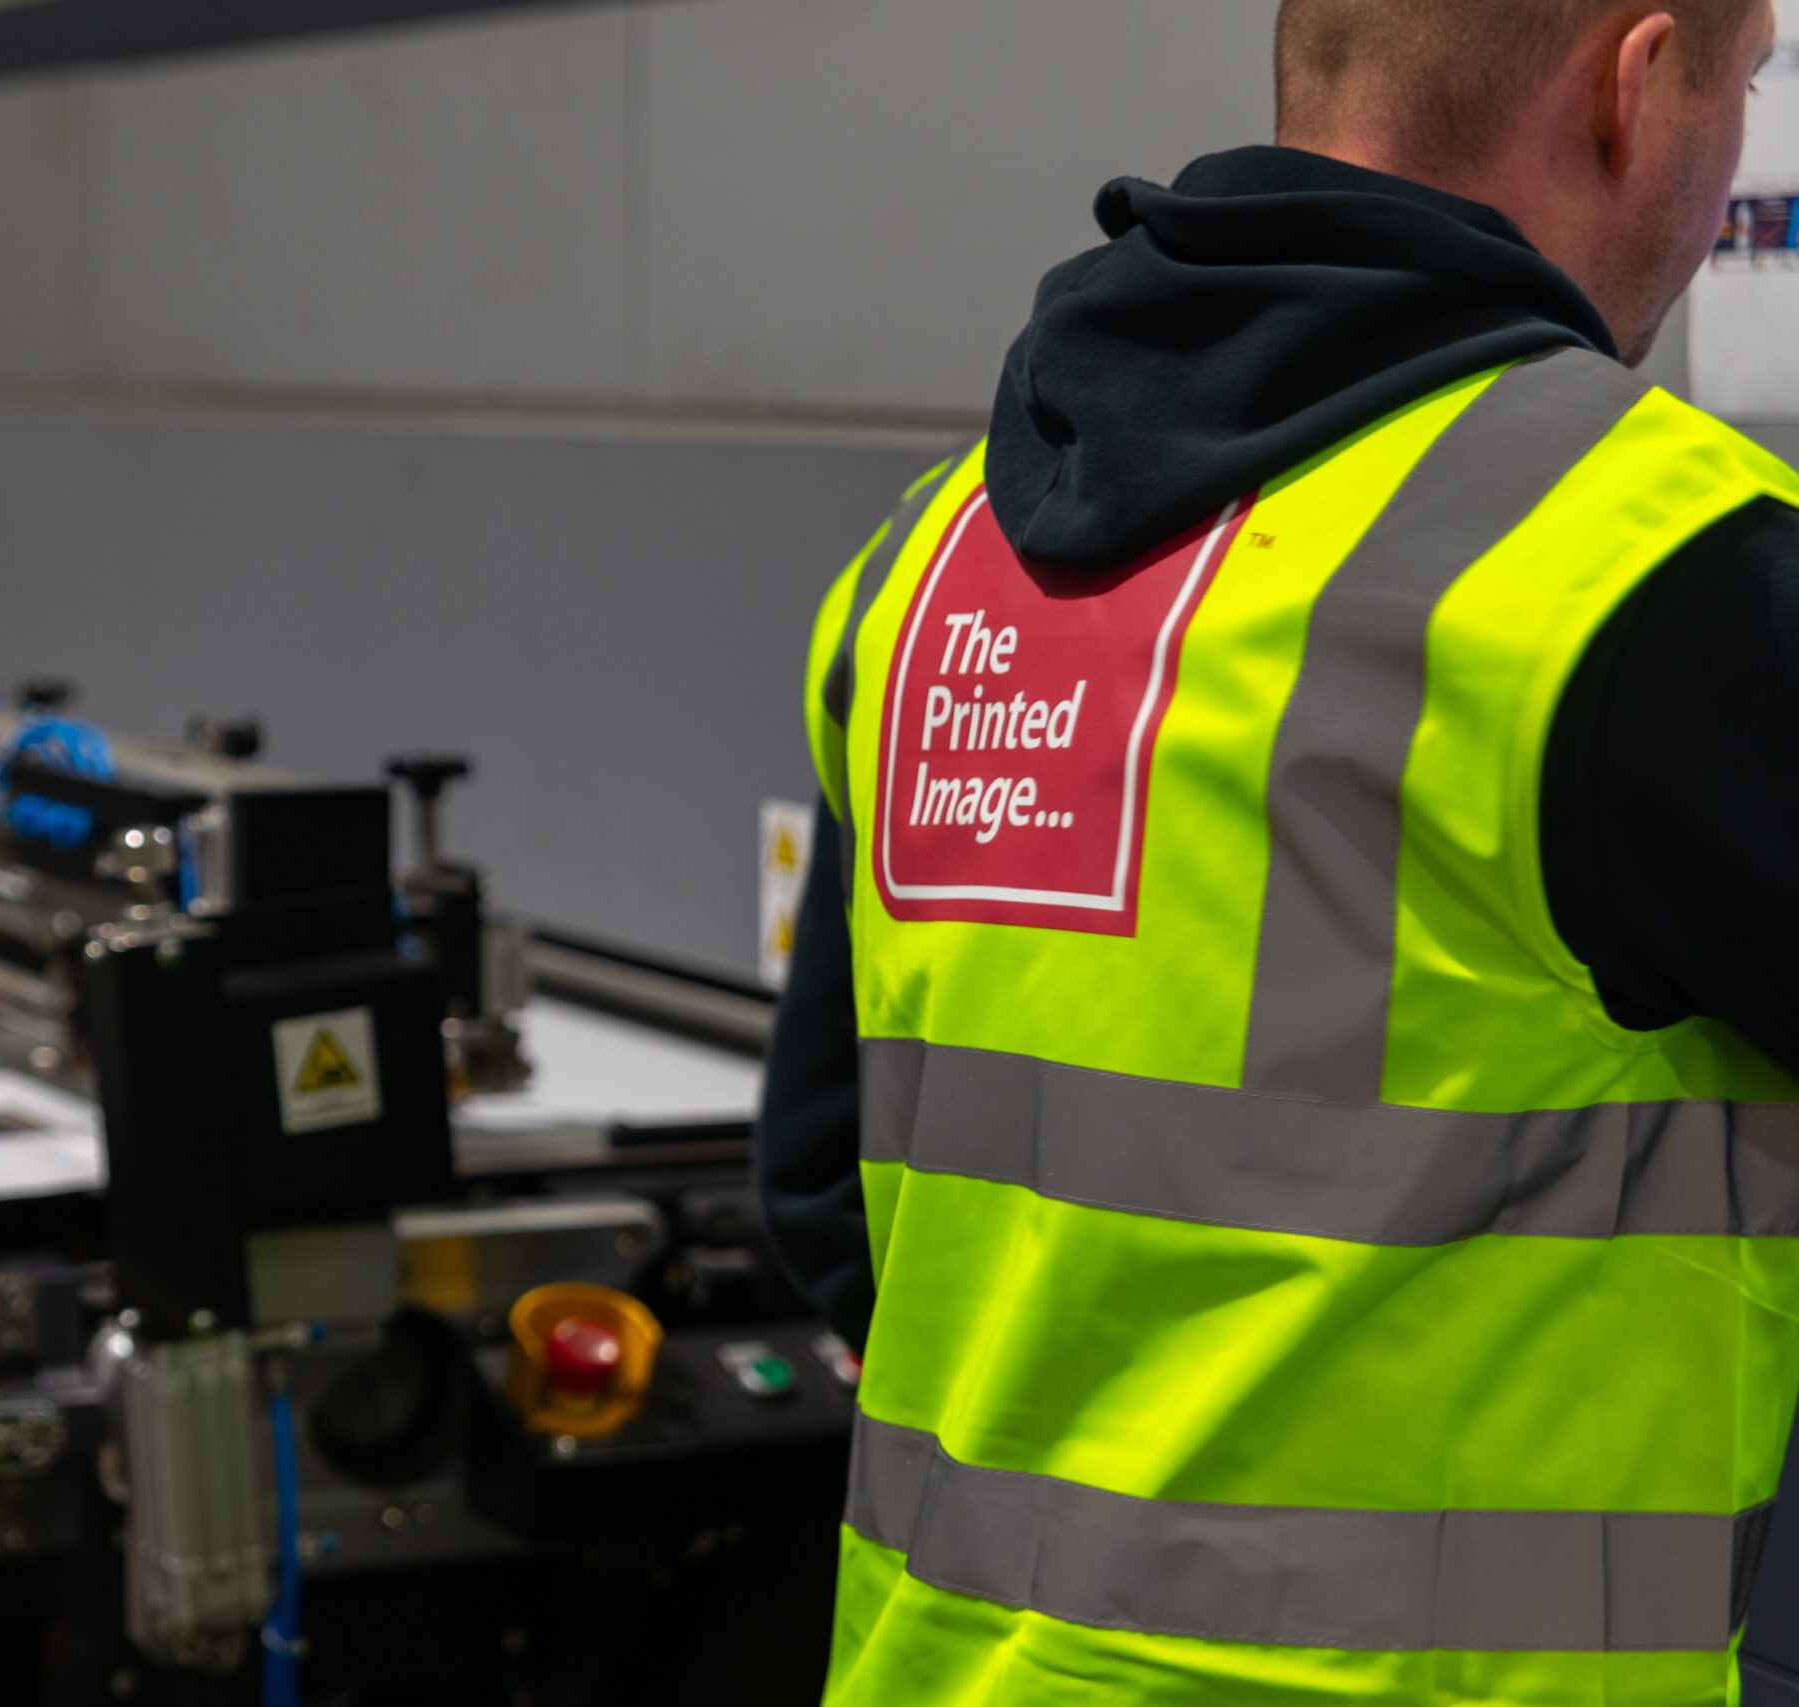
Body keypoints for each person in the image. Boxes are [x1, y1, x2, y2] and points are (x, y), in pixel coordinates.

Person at [757, 1, 1799, 1701]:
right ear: (1633, 89)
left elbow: (828, 1201)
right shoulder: (1656, 582)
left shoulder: (931, 572)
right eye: (1742, 85)